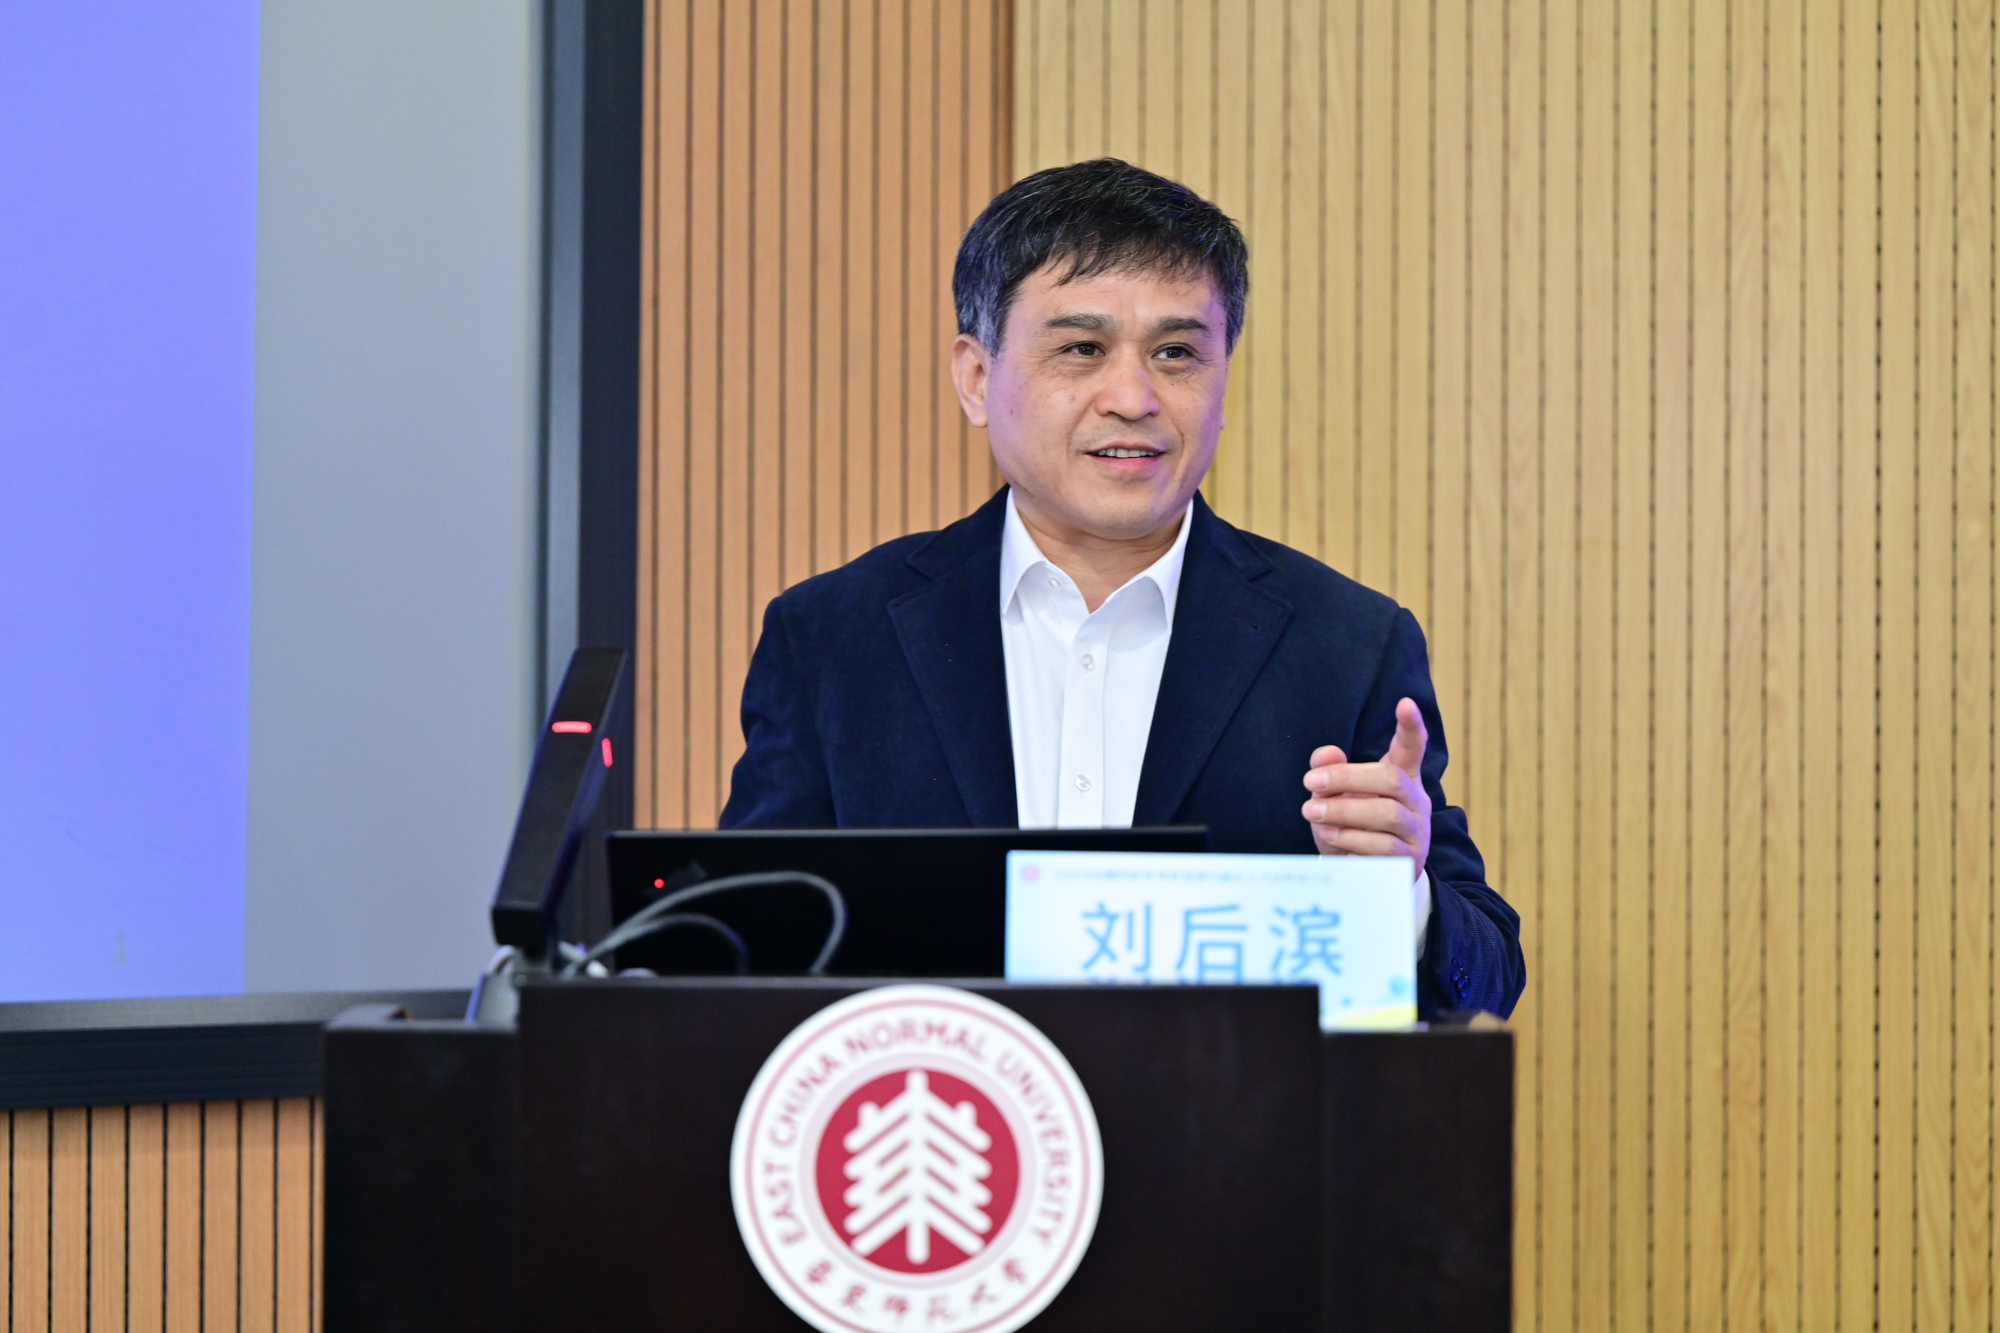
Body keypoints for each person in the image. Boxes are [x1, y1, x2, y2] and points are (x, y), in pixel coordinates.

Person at [720, 159, 1523, 1019]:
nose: (1134, 397)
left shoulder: (1346, 644)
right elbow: (737, 945)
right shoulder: (834, 638)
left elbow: (1486, 975)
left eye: (1176, 353)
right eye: (1082, 349)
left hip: (1222, 1109)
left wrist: (1399, 894)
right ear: (977, 378)